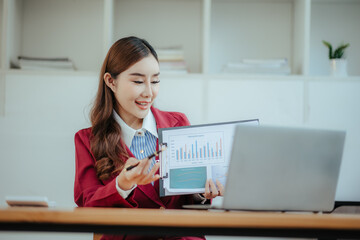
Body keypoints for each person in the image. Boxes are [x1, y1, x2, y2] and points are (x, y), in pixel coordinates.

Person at [74, 36, 223, 240]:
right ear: (111, 81)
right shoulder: (87, 139)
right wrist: (121, 185)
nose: (149, 92)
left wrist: (202, 194)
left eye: (155, 81)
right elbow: (87, 209)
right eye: (137, 81)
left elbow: (191, 201)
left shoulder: (178, 123)